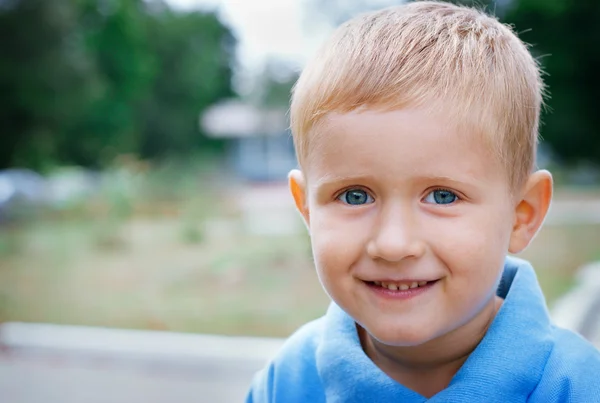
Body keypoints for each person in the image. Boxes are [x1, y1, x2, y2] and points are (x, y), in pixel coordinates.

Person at [245, 1, 600, 402]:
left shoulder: (578, 387)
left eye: (443, 196)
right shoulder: (288, 383)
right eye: (355, 195)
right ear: (307, 208)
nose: (394, 244)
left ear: (522, 215)